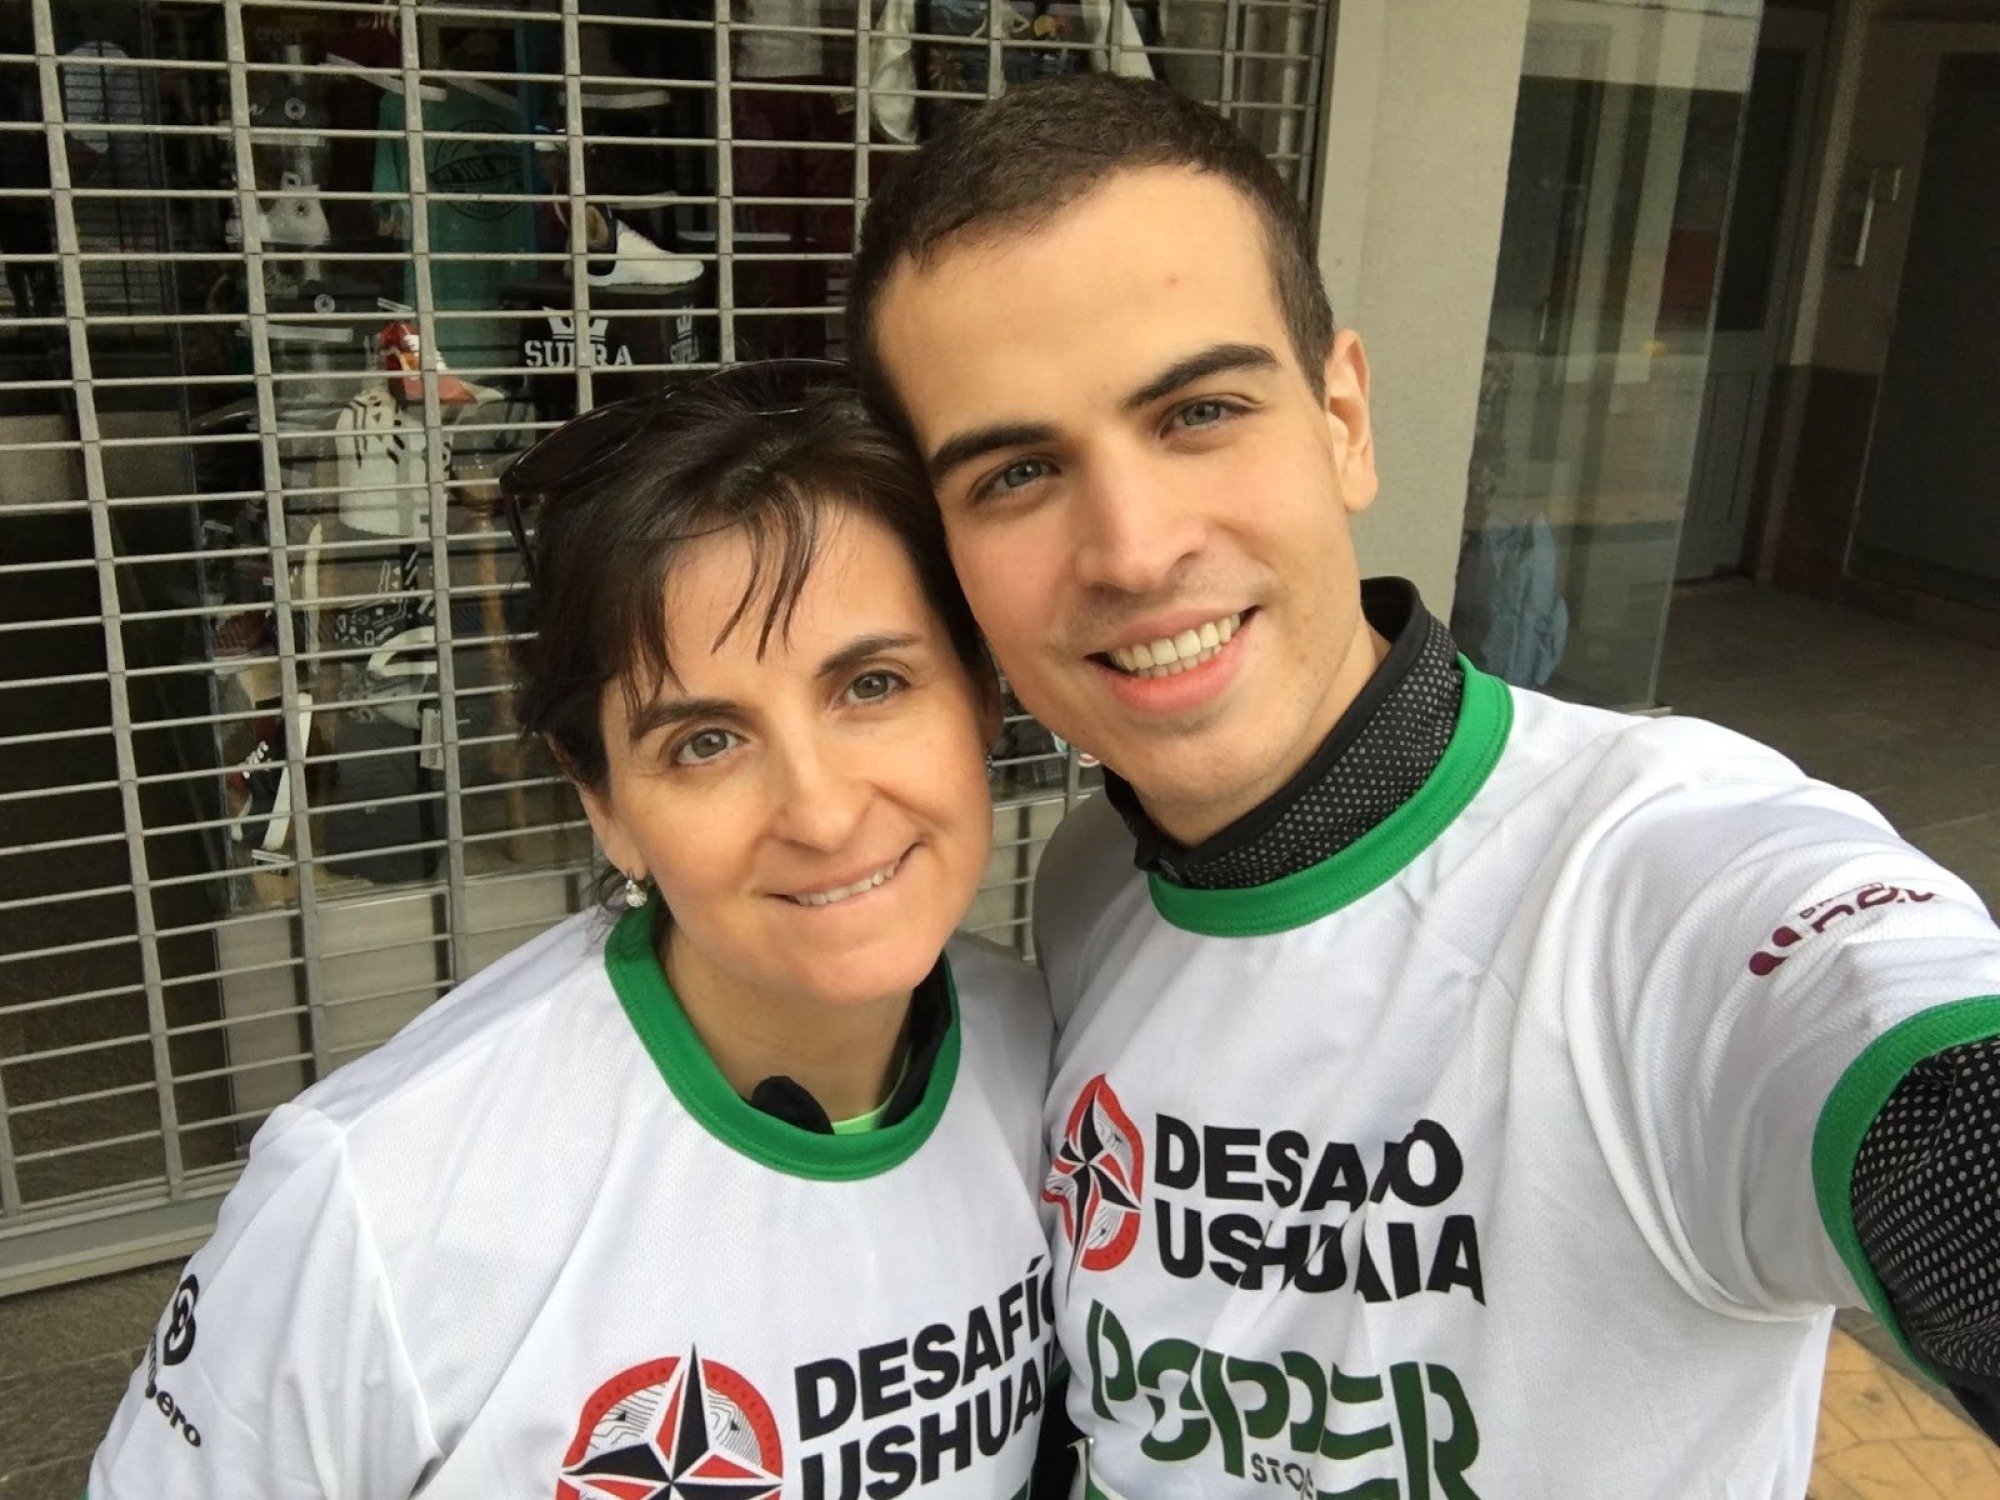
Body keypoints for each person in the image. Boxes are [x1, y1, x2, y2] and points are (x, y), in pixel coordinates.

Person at [843, 75, 2000, 1498]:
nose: (1134, 551)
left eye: (1199, 410)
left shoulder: (1653, 873)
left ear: (1342, 418)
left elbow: (1925, 1085)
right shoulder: (1094, 879)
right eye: (1017, 472)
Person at [89, 362, 1058, 1499]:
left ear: (983, 697)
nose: (823, 811)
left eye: (873, 685)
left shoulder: (1057, 1063)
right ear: (604, 804)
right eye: (705, 742)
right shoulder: (373, 1204)